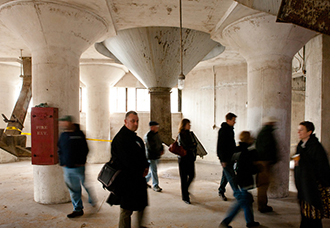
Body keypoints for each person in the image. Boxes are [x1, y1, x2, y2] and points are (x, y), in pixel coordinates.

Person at [107, 111, 149, 228]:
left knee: (141, 205)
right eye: (132, 121)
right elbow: (126, 161)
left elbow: (142, 156)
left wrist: (146, 166)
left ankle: (140, 226)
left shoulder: (136, 138)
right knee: (126, 210)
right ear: (126, 122)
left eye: (137, 121)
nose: (136, 123)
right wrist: (141, 169)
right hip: (127, 181)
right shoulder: (120, 139)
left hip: (138, 179)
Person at [57, 115, 96, 218]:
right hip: (67, 167)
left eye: (63, 122)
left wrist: (82, 161)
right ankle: (78, 209)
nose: (61, 124)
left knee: (85, 185)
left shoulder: (79, 134)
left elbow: (86, 149)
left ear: (69, 122)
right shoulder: (63, 135)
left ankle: (92, 200)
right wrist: (63, 162)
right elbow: (59, 150)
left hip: (79, 167)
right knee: (74, 190)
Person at [219, 131, 260, 228]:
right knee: (242, 202)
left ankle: (250, 222)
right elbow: (251, 167)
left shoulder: (237, 150)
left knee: (247, 200)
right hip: (245, 180)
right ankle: (225, 222)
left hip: (238, 179)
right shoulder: (248, 152)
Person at [294, 121, 330, 228]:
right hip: (303, 185)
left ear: (309, 132)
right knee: (304, 212)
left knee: (313, 214)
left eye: (301, 130)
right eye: (298, 129)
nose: (298, 132)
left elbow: (322, 167)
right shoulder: (300, 145)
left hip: (312, 186)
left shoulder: (316, 147)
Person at [255, 116, 278, 213]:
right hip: (264, 163)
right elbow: (267, 149)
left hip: (263, 162)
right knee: (263, 185)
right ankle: (262, 205)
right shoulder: (267, 133)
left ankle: (263, 204)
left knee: (263, 185)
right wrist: (271, 160)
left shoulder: (264, 132)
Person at [217, 112, 237, 201]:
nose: (235, 122)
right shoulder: (223, 131)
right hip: (225, 158)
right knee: (232, 177)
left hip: (230, 157)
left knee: (226, 175)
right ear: (228, 120)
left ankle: (221, 191)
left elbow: (231, 145)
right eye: (233, 120)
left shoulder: (230, 130)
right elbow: (220, 146)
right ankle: (239, 194)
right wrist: (222, 160)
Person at [177, 118, 197, 204]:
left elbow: (195, 144)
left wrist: (192, 146)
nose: (190, 126)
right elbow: (185, 146)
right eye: (188, 124)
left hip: (190, 158)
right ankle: (185, 197)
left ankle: (185, 189)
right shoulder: (180, 135)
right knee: (184, 178)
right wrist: (192, 145)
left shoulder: (191, 134)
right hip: (183, 159)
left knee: (192, 175)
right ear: (184, 125)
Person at [145, 121, 164, 192]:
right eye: (156, 127)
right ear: (152, 127)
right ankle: (155, 185)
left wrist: (161, 149)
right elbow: (151, 147)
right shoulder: (148, 136)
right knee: (154, 170)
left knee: (153, 170)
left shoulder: (156, 134)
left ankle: (145, 181)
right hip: (151, 156)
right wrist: (158, 151)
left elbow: (159, 142)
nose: (157, 128)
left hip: (156, 156)